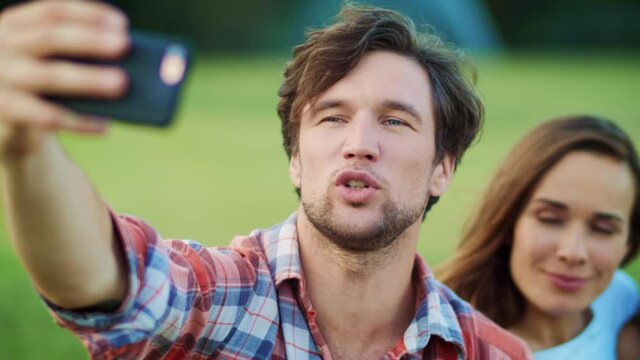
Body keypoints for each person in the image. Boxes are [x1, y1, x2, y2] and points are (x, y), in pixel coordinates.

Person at [0, 1, 531, 359]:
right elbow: (109, 279)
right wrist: (25, 151)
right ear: (296, 159)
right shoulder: (217, 299)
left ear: (443, 167)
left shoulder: (493, 351)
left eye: (395, 120)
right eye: (332, 117)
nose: (360, 142)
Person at [438, 116, 640, 359]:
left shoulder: (620, 298)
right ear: (509, 221)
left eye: (604, 229)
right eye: (550, 219)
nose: (573, 252)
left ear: (628, 241)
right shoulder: (460, 346)